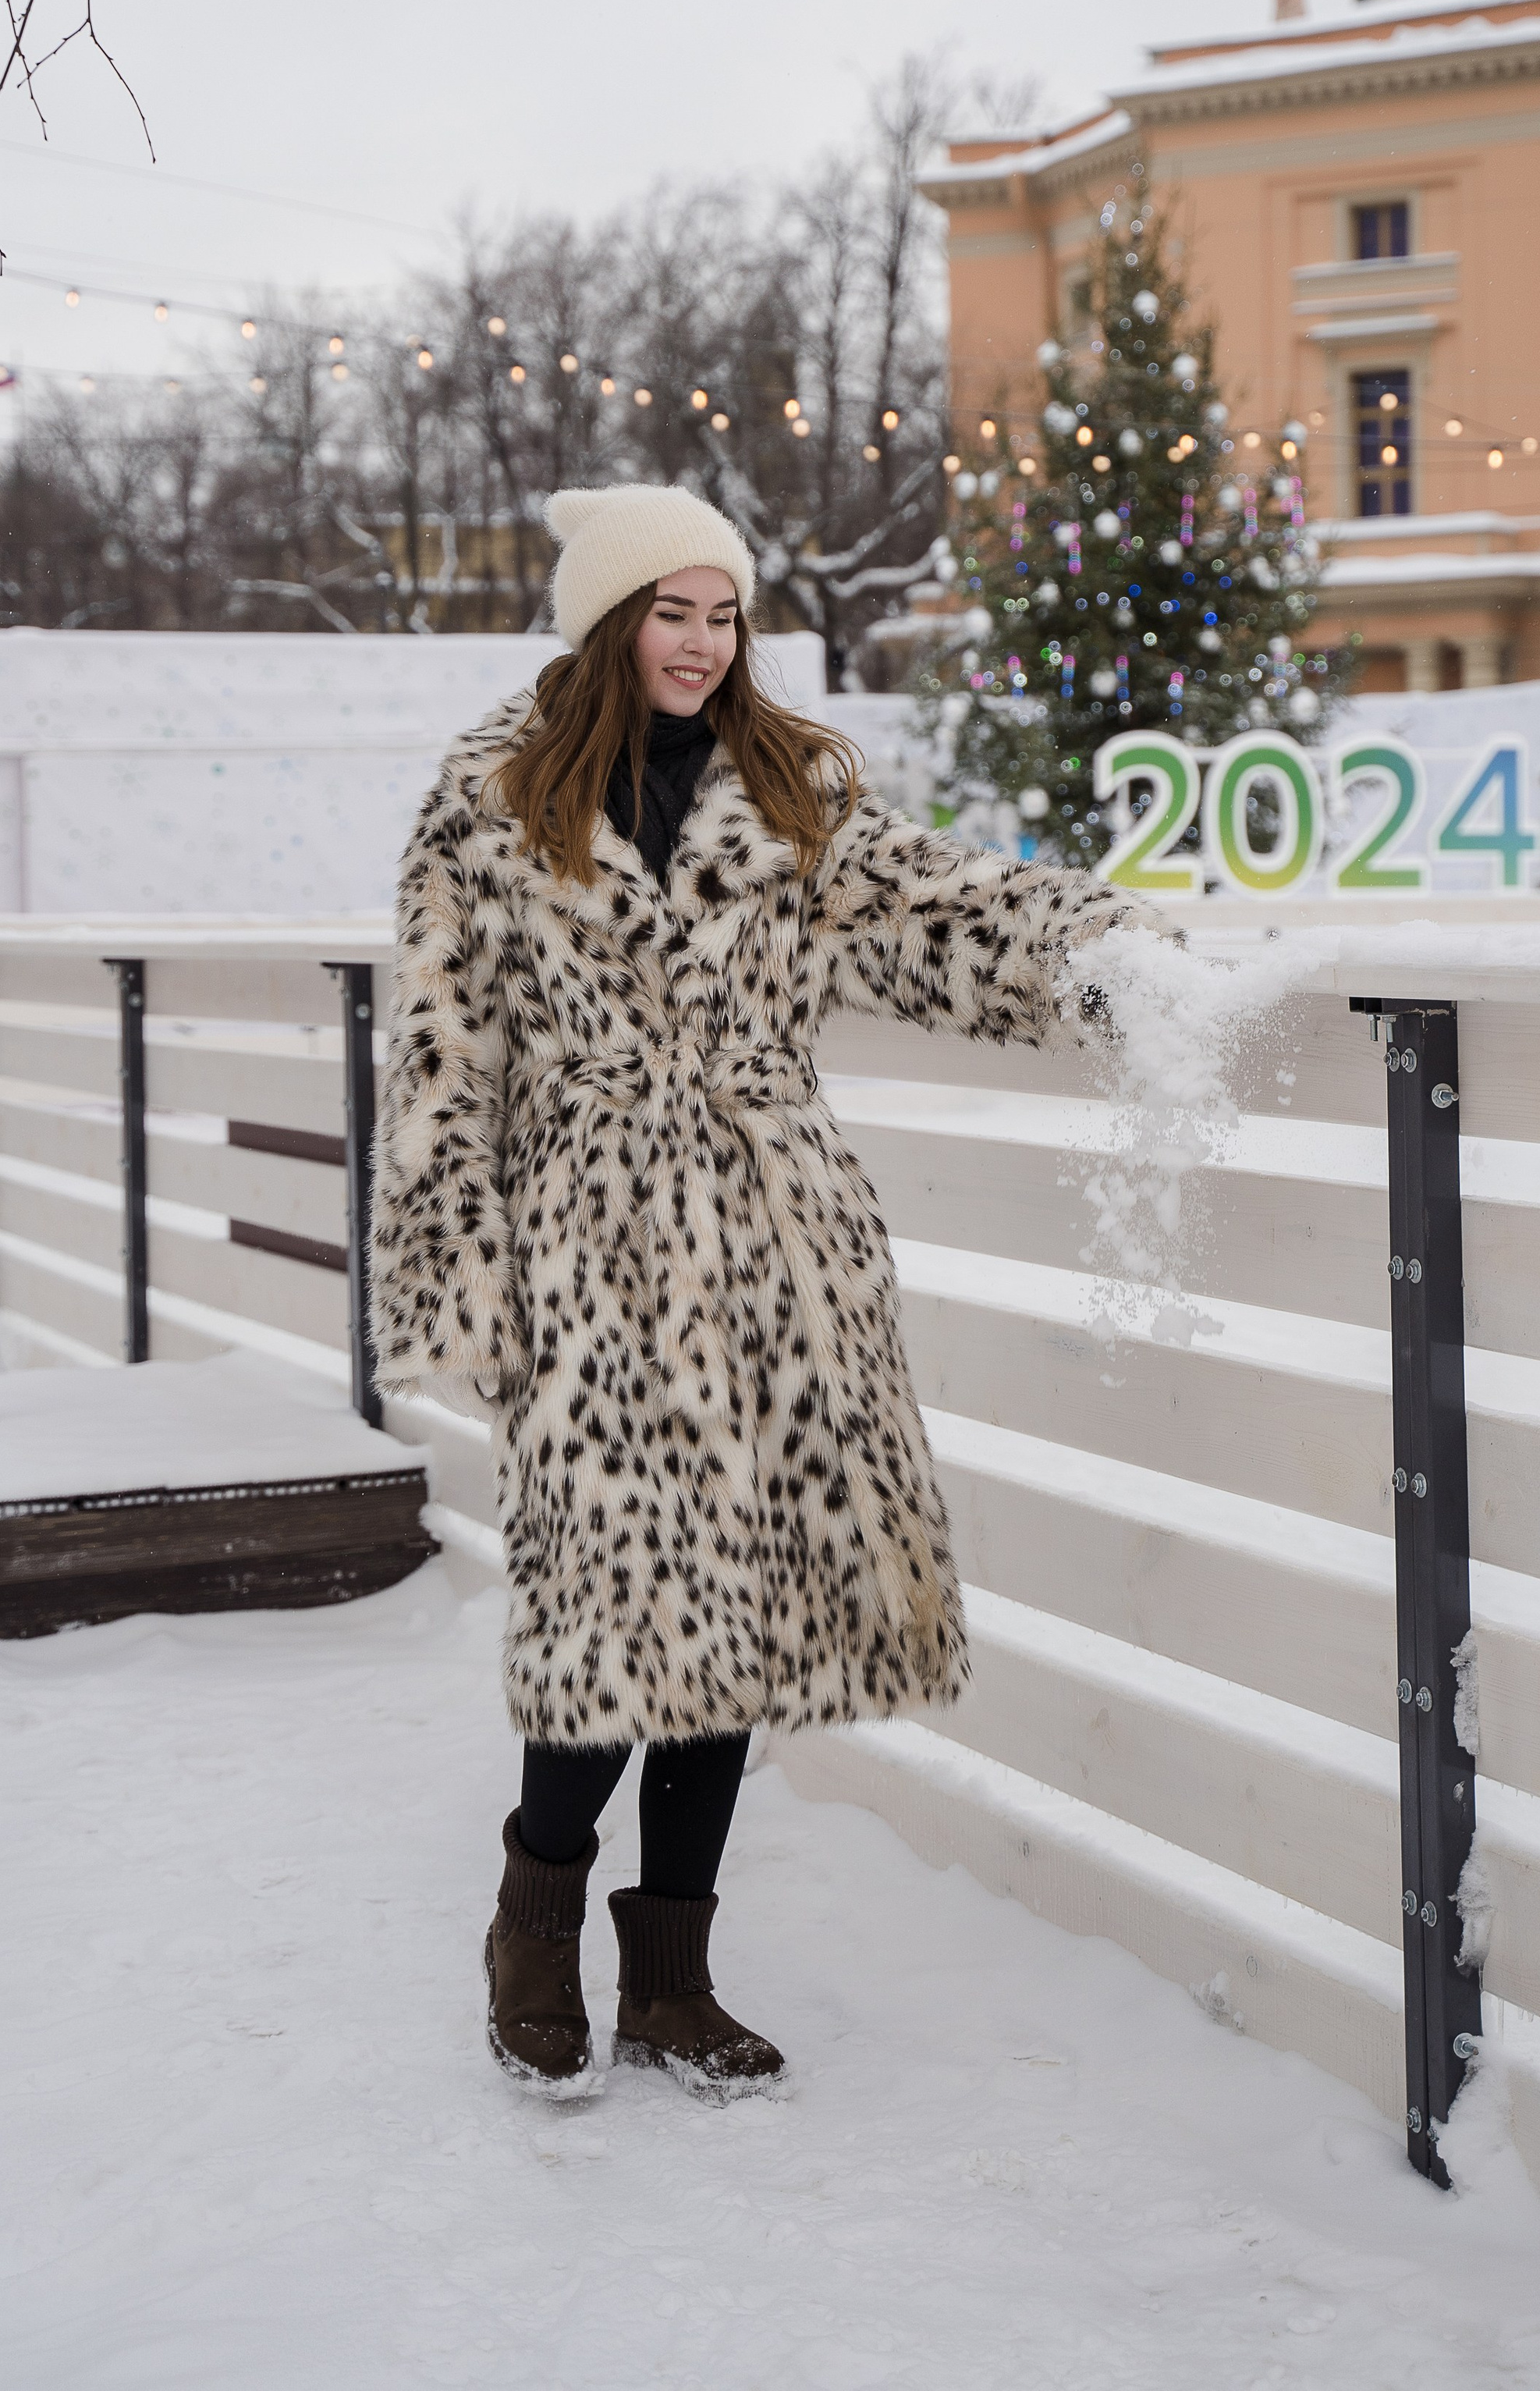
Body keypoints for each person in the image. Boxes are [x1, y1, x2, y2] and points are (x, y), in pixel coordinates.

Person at [369, 482, 1149, 2100]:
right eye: (671, 611)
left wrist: (1107, 948)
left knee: (743, 1610)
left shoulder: (790, 788)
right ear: (609, 623)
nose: (702, 643)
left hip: (774, 1243)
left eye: (722, 614)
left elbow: (933, 906)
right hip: (591, 1248)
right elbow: (445, 1052)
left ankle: (671, 1981)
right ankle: (533, 1929)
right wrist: (457, 1279)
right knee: (606, 1603)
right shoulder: (491, 802)